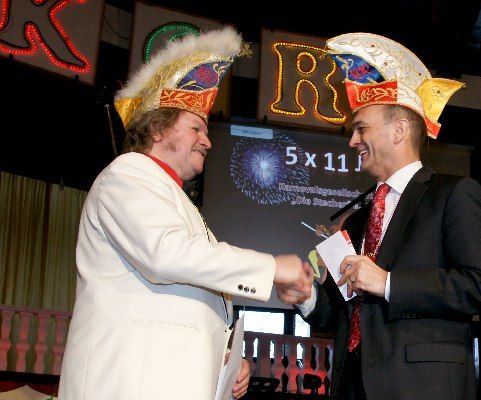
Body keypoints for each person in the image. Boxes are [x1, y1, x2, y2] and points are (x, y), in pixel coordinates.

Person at [58, 27, 312, 400]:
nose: (207, 140)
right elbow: (166, 254)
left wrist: (224, 360)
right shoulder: (128, 173)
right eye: (196, 127)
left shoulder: (172, 197)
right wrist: (271, 267)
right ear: (158, 130)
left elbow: (182, 301)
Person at [287, 33, 481, 400]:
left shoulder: (453, 194)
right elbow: (342, 313)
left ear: (399, 129)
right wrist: (307, 296)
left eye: (361, 128)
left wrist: (389, 283)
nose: (352, 141)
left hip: (424, 388)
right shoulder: (358, 220)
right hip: (352, 387)